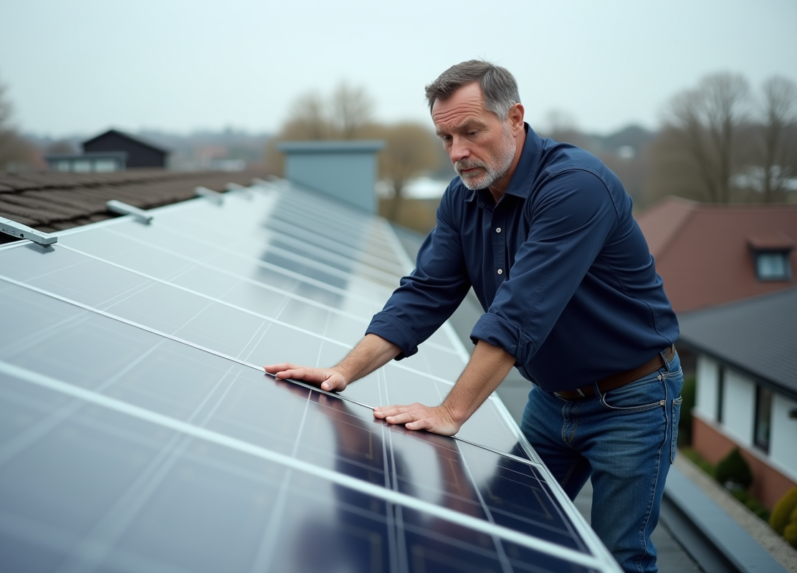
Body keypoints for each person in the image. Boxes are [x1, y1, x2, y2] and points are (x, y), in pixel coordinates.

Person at [265, 60, 681, 573]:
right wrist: (343, 372)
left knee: (621, 559)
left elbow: (519, 314)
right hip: (552, 401)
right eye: (445, 137)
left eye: (470, 131)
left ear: (515, 118)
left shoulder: (575, 187)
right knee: (506, 536)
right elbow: (423, 294)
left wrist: (451, 412)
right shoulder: (462, 200)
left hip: (632, 401)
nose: (458, 153)